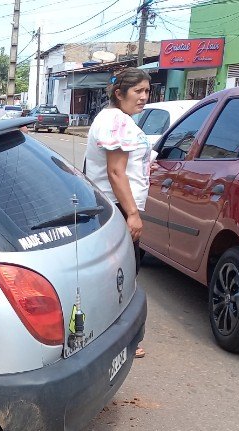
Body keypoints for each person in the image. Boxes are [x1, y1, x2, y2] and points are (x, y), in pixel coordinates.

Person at [84, 66, 151, 359]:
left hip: (112, 206)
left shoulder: (113, 118)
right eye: (138, 91)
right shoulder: (117, 122)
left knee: (118, 275)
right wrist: (132, 213)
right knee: (121, 276)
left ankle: (117, 338)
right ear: (119, 93)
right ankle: (121, 340)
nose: (144, 97)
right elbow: (115, 171)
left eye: (147, 91)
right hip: (118, 207)